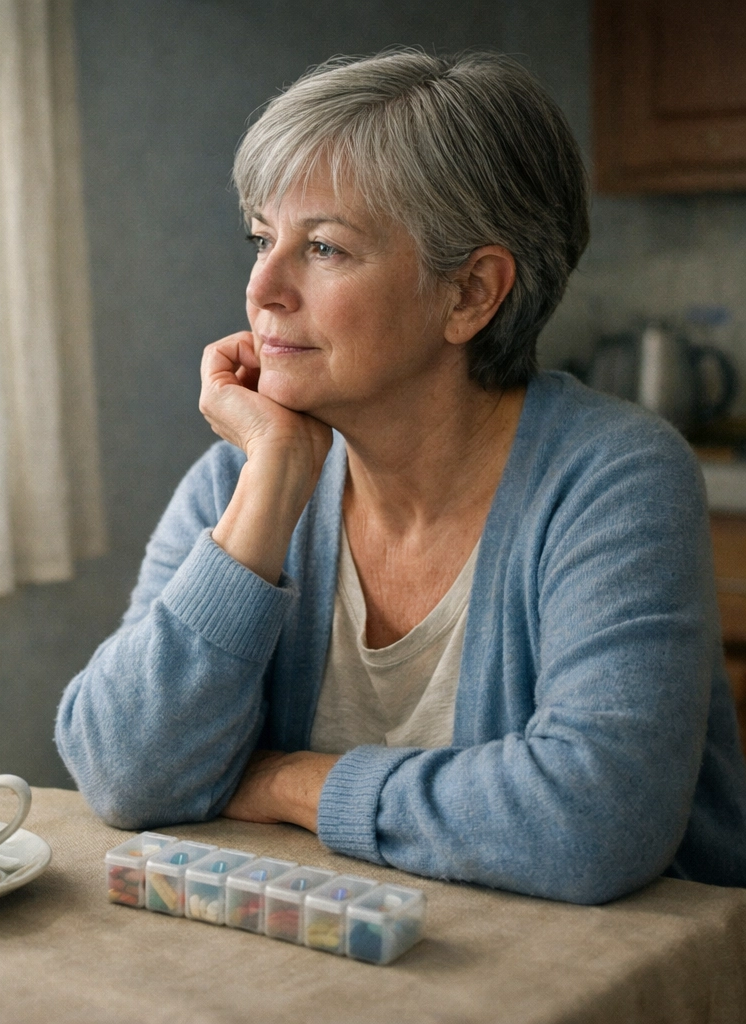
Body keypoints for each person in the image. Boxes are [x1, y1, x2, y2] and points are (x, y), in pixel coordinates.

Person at [56, 50, 746, 904]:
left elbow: (592, 824)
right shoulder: (240, 476)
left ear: (471, 294)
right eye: (263, 239)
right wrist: (269, 489)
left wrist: (291, 783)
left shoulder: (612, 480)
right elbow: (123, 773)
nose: (263, 288)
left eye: (323, 247)